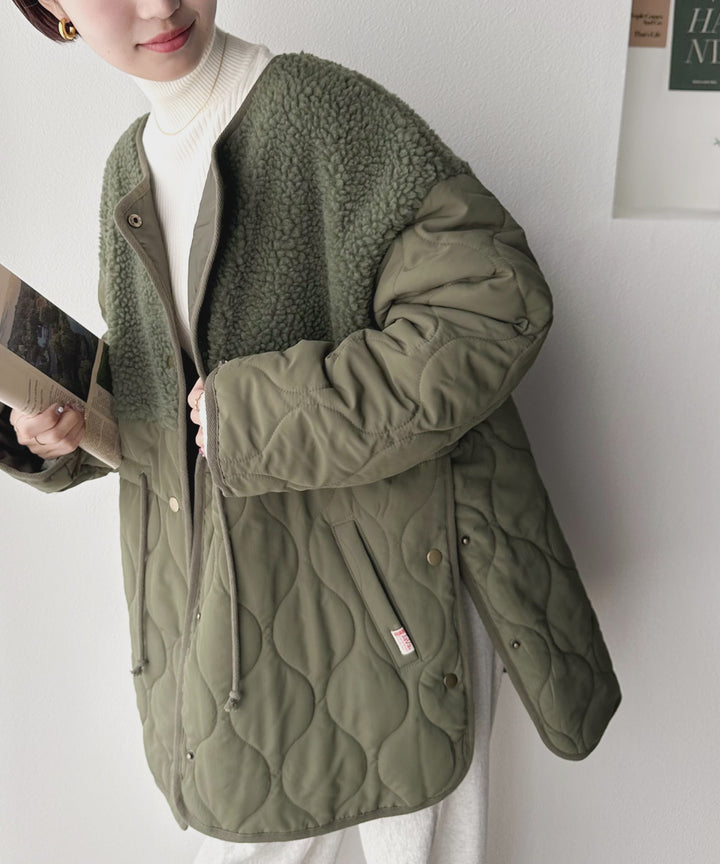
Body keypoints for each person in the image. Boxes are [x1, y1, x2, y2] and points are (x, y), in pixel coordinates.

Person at [2, 2, 621, 863]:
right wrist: (63, 428)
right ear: (54, 9)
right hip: (237, 619)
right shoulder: (127, 168)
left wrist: (253, 415)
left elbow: (492, 309)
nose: (160, 5)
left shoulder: (322, 112)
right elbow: (170, 397)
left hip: (396, 601)